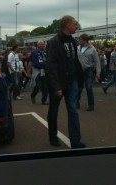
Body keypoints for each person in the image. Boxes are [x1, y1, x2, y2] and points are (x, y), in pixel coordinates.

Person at [45, 15, 85, 149]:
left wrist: (79, 79)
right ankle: (52, 136)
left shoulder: (73, 41)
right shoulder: (53, 42)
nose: (76, 26)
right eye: (74, 24)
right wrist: (57, 87)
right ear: (67, 25)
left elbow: (74, 62)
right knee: (54, 110)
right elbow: (51, 66)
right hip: (58, 83)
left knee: (73, 109)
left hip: (72, 81)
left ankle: (75, 140)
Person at [77, 33, 100, 111]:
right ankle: (77, 102)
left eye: (80, 40)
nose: (79, 41)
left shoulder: (92, 49)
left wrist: (98, 72)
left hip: (89, 70)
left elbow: (97, 61)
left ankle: (91, 105)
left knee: (89, 87)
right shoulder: (77, 48)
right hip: (79, 70)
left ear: (85, 40)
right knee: (79, 88)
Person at [28, 40, 49, 105]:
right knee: (37, 85)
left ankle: (44, 100)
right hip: (37, 71)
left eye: (44, 44)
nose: (44, 45)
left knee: (45, 87)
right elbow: (31, 63)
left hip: (45, 71)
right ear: (38, 45)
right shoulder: (34, 52)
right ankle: (33, 95)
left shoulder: (46, 52)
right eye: (42, 44)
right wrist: (28, 72)